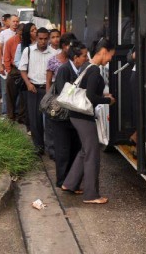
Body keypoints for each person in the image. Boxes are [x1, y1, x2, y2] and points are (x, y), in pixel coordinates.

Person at [62, 38, 116, 205]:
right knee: (92, 154)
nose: (110, 59)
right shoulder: (94, 71)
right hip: (84, 116)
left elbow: (88, 91)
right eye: (111, 55)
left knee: (85, 151)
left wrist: (103, 96)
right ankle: (91, 194)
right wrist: (108, 101)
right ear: (104, 51)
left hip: (76, 114)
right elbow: (91, 96)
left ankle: (69, 183)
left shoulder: (87, 66)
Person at [51, 38, 87, 188]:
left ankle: (71, 181)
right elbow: (62, 93)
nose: (86, 58)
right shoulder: (65, 69)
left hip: (74, 117)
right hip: (62, 118)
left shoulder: (81, 69)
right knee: (63, 150)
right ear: (76, 58)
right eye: (84, 56)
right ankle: (62, 181)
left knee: (74, 149)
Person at [19, 27, 59, 156]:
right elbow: (22, 69)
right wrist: (28, 84)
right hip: (33, 89)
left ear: (48, 39)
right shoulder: (28, 51)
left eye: (45, 39)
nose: (43, 41)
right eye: (40, 39)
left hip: (49, 89)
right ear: (36, 38)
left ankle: (51, 148)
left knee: (50, 119)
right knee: (35, 120)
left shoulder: (53, 54)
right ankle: (38, 147)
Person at [43, 32, 75, 159]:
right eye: (68, 45)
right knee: (52, 124)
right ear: (63, 46)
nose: (70, 48)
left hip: (71, 97)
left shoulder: (74, 60)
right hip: (56, 96)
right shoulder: (53, 60)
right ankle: (52, 151)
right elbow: (48, 81)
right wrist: (49, 99)